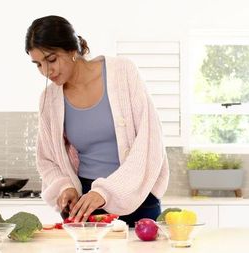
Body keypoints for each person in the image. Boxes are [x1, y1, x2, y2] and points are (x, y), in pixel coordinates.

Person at [25, 15, 169, 227]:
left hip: (138, 196)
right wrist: (65, 186)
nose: (47, 72)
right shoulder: (49, 99)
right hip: (86, 204)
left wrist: (106, 192)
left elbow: (149, 141)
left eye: (51, 60)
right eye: (38, 64)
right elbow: (47, 159)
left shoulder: (123, 72)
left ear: (72, 51)